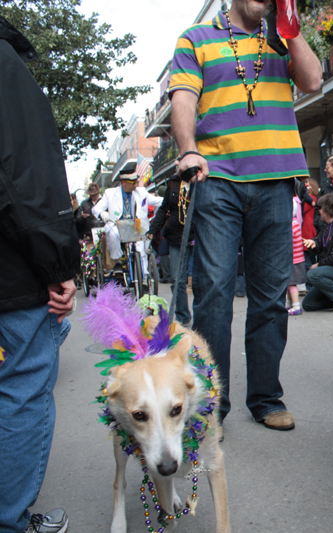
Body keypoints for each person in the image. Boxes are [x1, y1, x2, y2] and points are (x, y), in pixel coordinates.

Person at [168, 0, 321, 431]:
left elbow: (312, 80)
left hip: (276, 180)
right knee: (215, 292)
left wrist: (290, 25)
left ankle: (266, 398)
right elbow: (184, 98)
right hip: (217, 179)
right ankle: (209, 404)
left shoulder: (282, 37)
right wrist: (188, 150)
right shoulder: (195, 39)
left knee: (271, 295)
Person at [1, 14, 79, 533]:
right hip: (10, 275)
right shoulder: (2, 63)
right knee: (22, 385)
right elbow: (22, 174)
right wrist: (57, 264)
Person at [148, 172, 194, 326]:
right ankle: (183, 316)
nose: (177, 163)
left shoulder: (201, 180)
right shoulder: (174, 182)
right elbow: (163, 209)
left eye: (180, 161)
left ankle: (204, 315)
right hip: (176, 236)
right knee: (177, 279)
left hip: (198, 236)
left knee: (202, 279)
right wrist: (153, 230)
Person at [92, 173, 162, 272]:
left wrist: (172, 197)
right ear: (123, 182)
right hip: (117, 225)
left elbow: (157, 201)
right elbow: (96, 209)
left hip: (137, 226)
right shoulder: (110, 193)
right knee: (113, 234)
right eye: (132, 183)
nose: (135, 185)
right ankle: (117, 261)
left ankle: (144, 275)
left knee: (141, 250)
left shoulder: (141, 192)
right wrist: (102, 214)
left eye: (136, 182)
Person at [286, 197, 306, 315]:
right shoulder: (296, 223)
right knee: (289, 283)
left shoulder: (291, 225)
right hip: (297, 259)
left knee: (291, 284)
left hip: (293, 260)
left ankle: (296, 306)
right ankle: (289, 304)